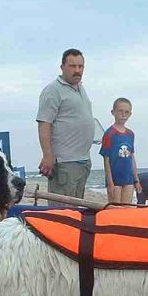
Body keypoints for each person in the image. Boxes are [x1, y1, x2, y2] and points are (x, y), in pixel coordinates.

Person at [36, 48, 94, 198]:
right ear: (62, 67)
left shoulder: (81, 88)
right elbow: (44, 123)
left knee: (77, 212)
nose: (77, 70)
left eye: (80, 66)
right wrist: (47, 155)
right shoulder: (53, 90)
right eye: (72, 66)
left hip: (83, 161)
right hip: (64, 162)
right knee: (62, 212)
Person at [99, 97, 139, 204]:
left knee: (127, 209)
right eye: (120, 111)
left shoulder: (130, 134)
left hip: (128, 179)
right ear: (113, 112)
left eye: (127, 112)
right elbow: (106, 160)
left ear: (130, 114)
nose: (123, 114)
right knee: (115, 209)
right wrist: (110, 183)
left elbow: (132, 159)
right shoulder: (109, 134)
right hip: (115, 180)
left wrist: (136, 180)